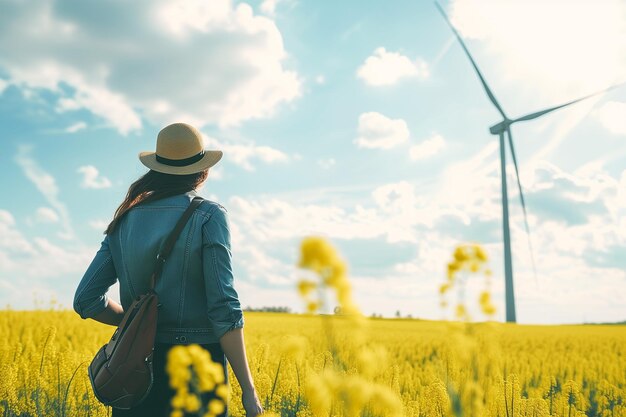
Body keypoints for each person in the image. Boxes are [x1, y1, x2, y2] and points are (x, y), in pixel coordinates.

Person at [73, 122, 264, 417]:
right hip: (197, 371)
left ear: (157, 168)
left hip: (134, 368)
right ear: (202, 171)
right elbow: (224, 309)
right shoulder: (209, 216)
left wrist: (139, 324)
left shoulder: (124, 219)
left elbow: (85, 298)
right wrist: (249, 392)